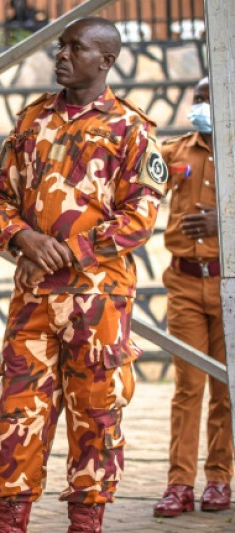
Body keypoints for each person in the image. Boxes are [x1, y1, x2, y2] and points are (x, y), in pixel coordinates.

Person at [0, 17, 167, 533]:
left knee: (96, 417)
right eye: (61, 47)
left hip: (98, 303)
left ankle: (86, 523)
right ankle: (8, 523)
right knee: (18, 415)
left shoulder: (133, 130)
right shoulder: (31, 120)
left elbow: (139, 217)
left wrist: (68, 250)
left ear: (105, 60)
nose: (60, 55)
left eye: (75, 48)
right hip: (32, 300)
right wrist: (23, 237)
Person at [153, 77, 231, 518]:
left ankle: (219, 478)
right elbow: (143, 192)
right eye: (197, 98)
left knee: (225, 389)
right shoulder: (175, 151)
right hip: (183, 283)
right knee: (187, 388)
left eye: (209, 98)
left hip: (228, 286)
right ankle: (179, 484)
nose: (200, 105)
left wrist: (225, 221)